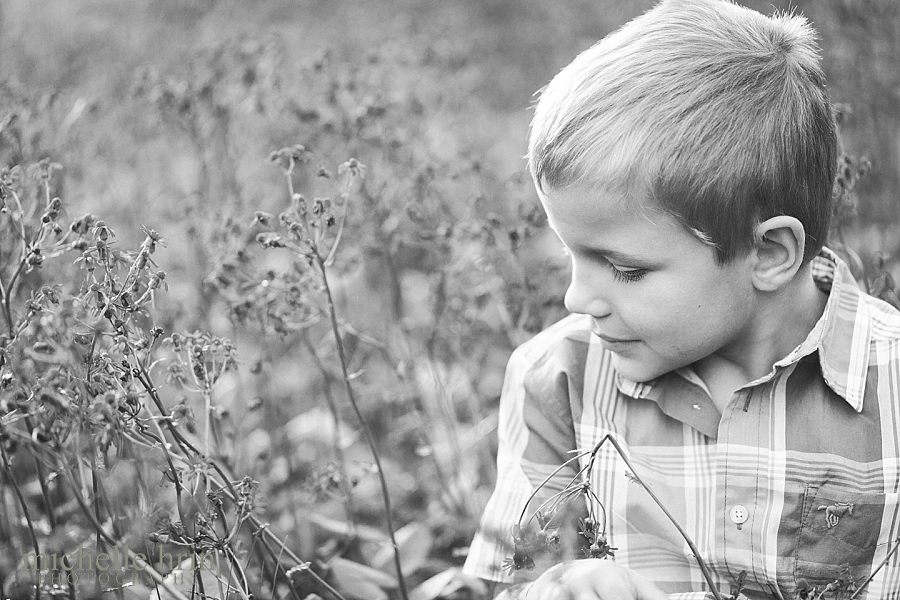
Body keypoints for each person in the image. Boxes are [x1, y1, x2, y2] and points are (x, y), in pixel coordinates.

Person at [462, 1, 900, 599]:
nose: (576, 298)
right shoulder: (559, 379)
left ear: (769, 253)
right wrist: (557, 590)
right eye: (572, 255)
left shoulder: (891, 391)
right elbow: (509, 584)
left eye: (626, 269)